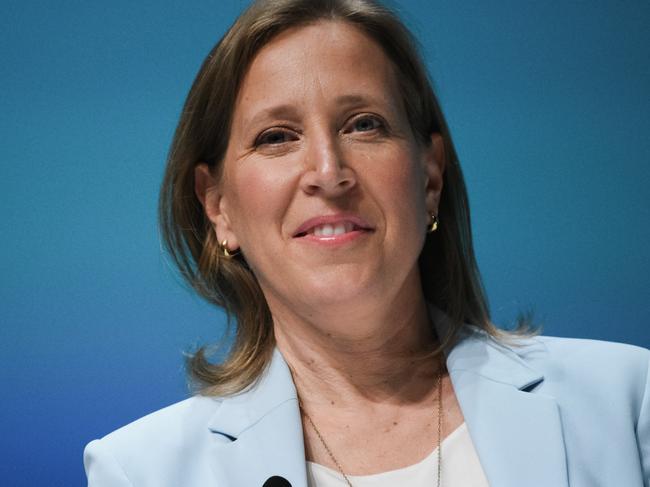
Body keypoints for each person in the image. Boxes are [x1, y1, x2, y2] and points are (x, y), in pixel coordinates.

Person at [84, 0, 650, 486]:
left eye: (364, 125)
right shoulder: (144, 471)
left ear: (429, 179)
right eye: (277, 137)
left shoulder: (624, 401)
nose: (329, 173)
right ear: (218, 207)